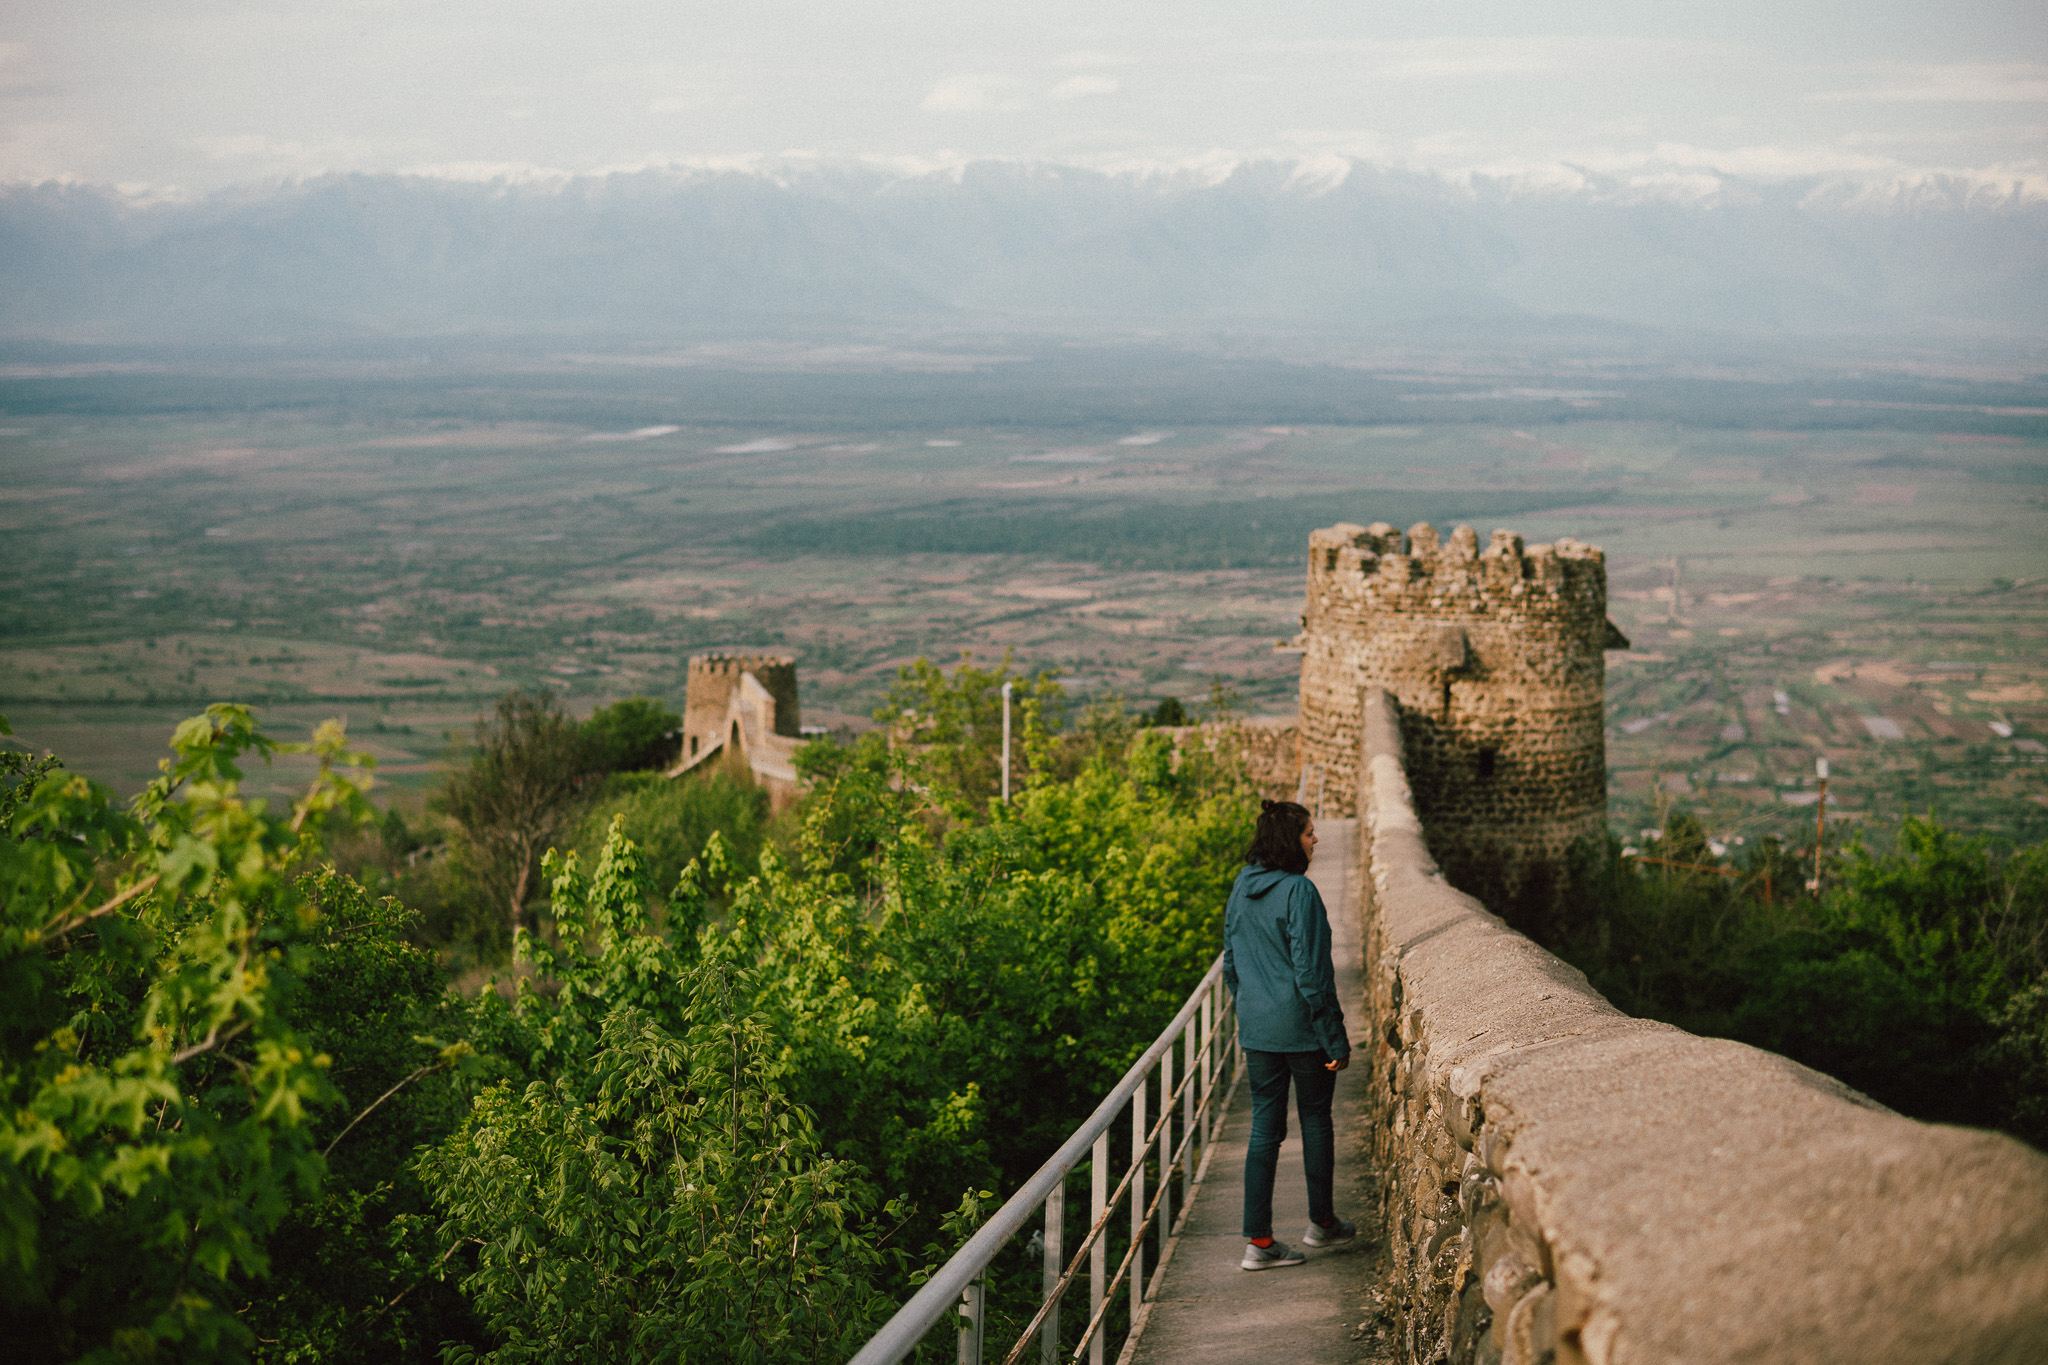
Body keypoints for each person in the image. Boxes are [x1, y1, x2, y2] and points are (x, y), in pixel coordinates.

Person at [1222, 799, 1357, 1270]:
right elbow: (1313, 974)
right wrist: (1335, 1038)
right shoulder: (1299, 892)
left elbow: (1231, 962)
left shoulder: (1242, 886)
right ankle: (1322, 1224)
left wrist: (1252, 1006)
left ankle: (1258, 1244)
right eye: (1309, 833)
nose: (1316, 840)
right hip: (1301, 1029)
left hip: (1257, 1029)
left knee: (1264, 1130)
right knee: (1316, 1120)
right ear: (1290, 841)